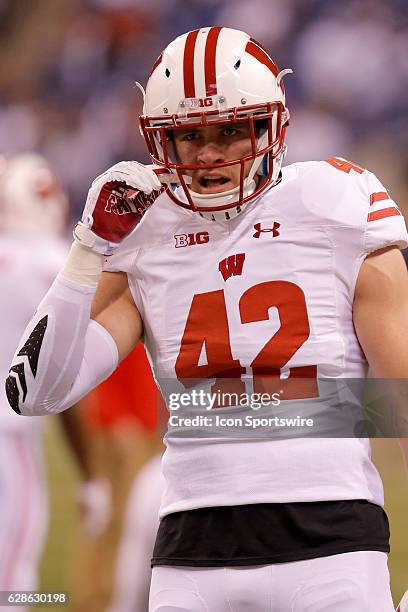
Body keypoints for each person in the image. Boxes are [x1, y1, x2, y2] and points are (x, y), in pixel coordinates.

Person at [5, 27, 408, 611]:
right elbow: (38, 391)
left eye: (229, 130)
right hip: (191, 548)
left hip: (330, 538)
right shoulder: (144, 234)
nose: (209, 153)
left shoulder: (335, 206)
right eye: (188, 136)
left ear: (272, 126)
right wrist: (88, 249)